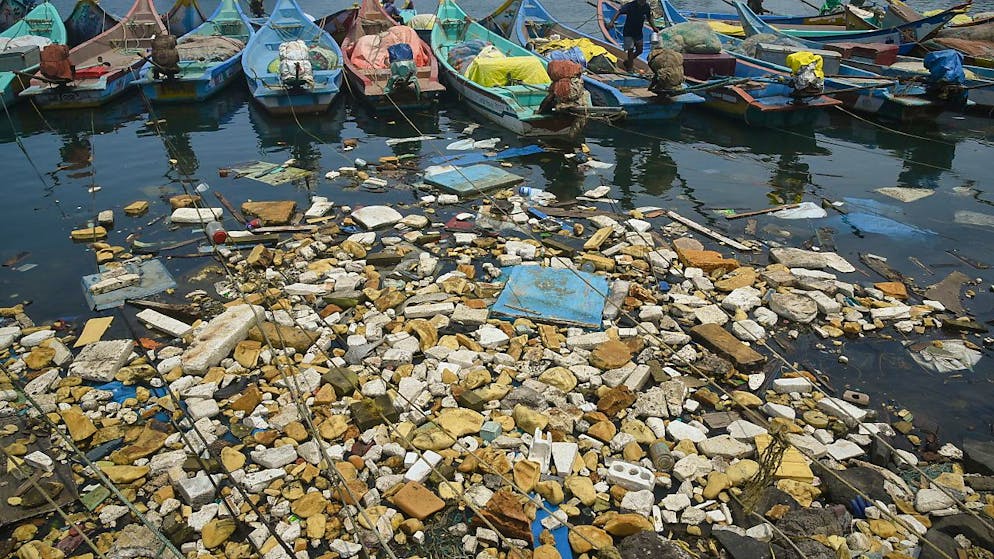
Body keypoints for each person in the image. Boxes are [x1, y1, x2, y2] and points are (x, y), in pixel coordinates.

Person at [605, 0, 657, 72]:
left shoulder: (646, 7)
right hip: (628, 32)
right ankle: (630, 68)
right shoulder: (630, 5)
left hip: (638, 33)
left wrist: (654, 27)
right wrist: (611, 22)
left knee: (639, 50)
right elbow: (619, 12)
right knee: (630, 50)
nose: (643, 2)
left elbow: (649, 17)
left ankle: (628, 61)